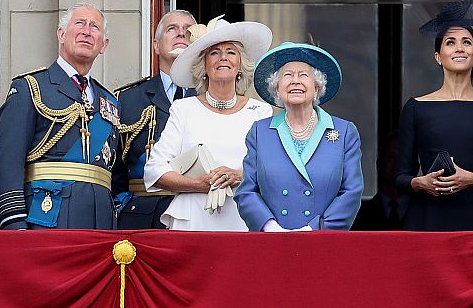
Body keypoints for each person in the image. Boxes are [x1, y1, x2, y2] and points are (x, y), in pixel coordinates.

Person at [395, 0, 473, 231]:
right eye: (450, 42)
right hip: (427, 219)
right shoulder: (416, 107)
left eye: (467, 42)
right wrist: (421, 183)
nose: (459, 48)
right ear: (438, 57)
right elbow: (401, 178)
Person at [0, 3, 120, 230]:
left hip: (101, 220)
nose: (86, 31)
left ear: (104, 45)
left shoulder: (109, 101)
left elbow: (114, 172)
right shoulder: (30, 87)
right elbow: (9, 163)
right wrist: (14, 223)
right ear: (61, 34)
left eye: (95, 27)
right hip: (48, 216)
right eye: (79, 23)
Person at [143, 16, 273, 230]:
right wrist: (199, 184)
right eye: (214, 53)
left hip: (242, 217)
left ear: (240, 64)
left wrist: (237, 175)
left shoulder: (260, 111)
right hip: (193, 218)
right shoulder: (183, 109)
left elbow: (270, 169)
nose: (223, 58)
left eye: (231, 52)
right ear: (204, 65)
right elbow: (155, 171)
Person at [236, 42, 363, 231]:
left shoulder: (344, 132)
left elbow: (351, 192)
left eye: (303, 75)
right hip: (273, 241)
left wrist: (314, 229)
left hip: (323, 241)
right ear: (277, 89)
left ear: (317, 87)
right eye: (287, 75)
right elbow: (246, 191)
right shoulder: (259, 132)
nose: (295, 81)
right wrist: (270, 227)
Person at [113, 10, 198, 229]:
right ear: (156, 45)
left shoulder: (211, 97)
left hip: (200, 211)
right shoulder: (127, 99)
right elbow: (114, 167)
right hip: (142, 216)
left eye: (188, 31)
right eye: (172, 29)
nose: (181, 34)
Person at [351, 132, 408, 230]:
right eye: (391, 157)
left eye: (403, 158)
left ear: (416, 166)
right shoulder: (358, 213)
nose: (397, 163)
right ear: (379, 164)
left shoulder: (425, 212)